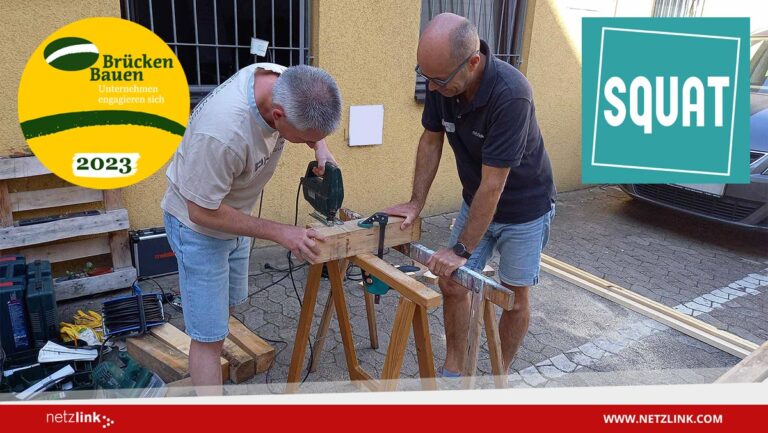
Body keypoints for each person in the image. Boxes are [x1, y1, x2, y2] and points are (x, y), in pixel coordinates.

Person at [385, 13, 556, 379]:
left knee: (513, 298)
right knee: (451, 281)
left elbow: (494, 185)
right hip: (476, 197)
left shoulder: (512, 95)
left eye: (439, 80)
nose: (431, 88)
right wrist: (416, 203)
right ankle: (454, 369)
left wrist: (461, 250)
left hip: (524, 209)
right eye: (425, 76)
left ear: (474, 62)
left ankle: (498, 376)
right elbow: (431, 141)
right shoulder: (442, 83)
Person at [161, 62, 342, 393]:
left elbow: (309, 125)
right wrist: (281, 232)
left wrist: (321, 147)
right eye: (305, 138)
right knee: (207, 337)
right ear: (278, 116)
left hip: (233, 215)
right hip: (198, 226)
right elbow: (200, 212)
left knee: (221, 316)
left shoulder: (287, 83)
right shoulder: (222, 133)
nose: (308, 142)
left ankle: (212, 373)